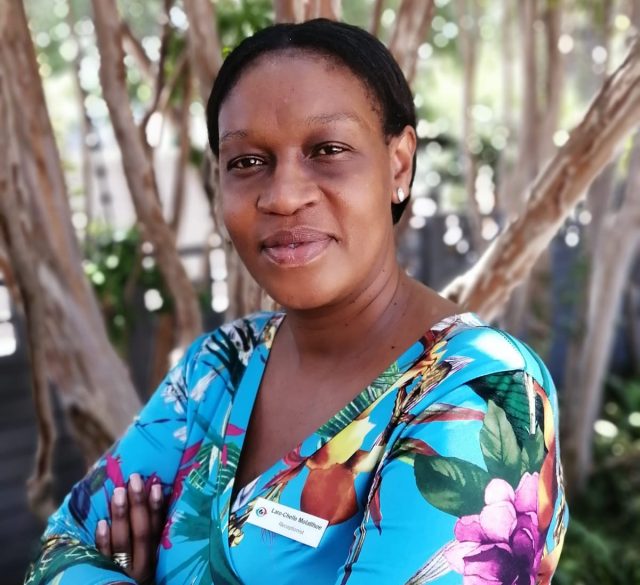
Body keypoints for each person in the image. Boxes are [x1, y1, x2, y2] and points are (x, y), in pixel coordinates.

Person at [25, 18, 568, 585]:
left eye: (328, 150)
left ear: (399, 164)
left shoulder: (478, 391)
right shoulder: (219, 369)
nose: (283, 196)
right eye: (246, 162)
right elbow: (61, 550)